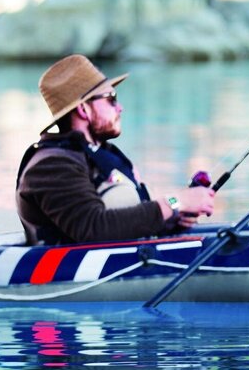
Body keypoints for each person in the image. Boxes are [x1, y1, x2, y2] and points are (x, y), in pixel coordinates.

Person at [16, 55, 216, 245]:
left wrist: (171, 219)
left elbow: (121, 221)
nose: (119, 108)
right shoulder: (52, 165)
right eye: (111, 98)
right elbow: (93, 228)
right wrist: (175, 202)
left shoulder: (97, 155)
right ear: (83, 109)